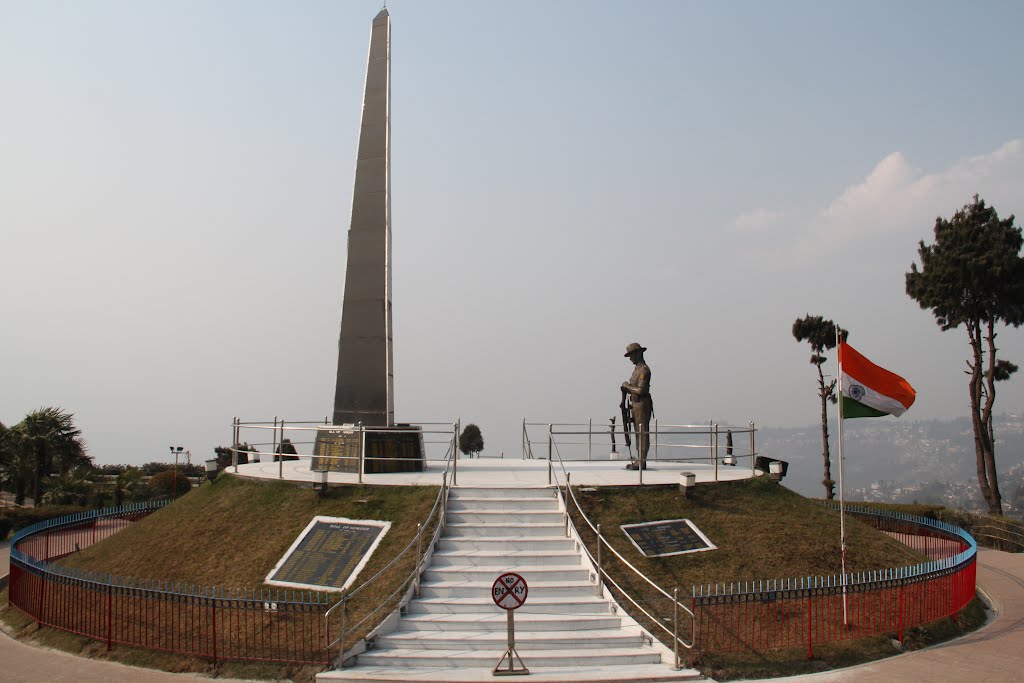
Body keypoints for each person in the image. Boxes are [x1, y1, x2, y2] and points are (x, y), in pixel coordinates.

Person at [620, 342, 652, 470]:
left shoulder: (644, 370)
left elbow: (642, 390)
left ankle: (642, 461)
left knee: (642, 432)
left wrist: (627, 386)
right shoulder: (636, 370)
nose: (631, 359)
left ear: (638, 354)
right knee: (638, 432)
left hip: (642, 404)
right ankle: (639, 460)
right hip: (635, 404)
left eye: (632, 355)